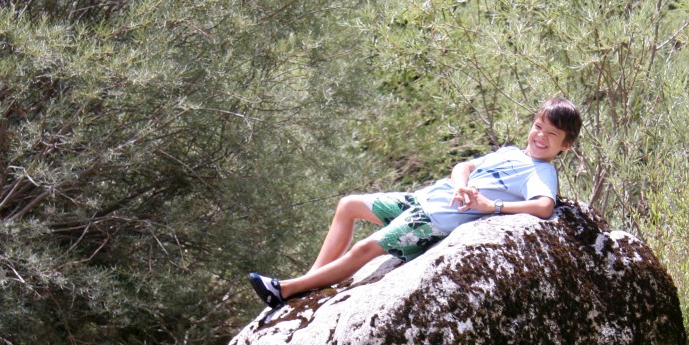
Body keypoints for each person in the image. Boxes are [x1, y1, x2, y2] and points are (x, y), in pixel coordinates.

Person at [247, 97, 582, 310]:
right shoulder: (510, 152)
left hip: (435, 221)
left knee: (367, 247)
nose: (540, 136)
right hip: (420, 200)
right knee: (349, 205)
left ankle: (287, 290)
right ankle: (312, 279)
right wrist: (462, 185)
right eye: (538, 127)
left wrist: (490, 207)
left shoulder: (542, 171)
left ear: (564, 146)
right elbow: (463, 166)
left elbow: (542, 207)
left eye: (551, 135)